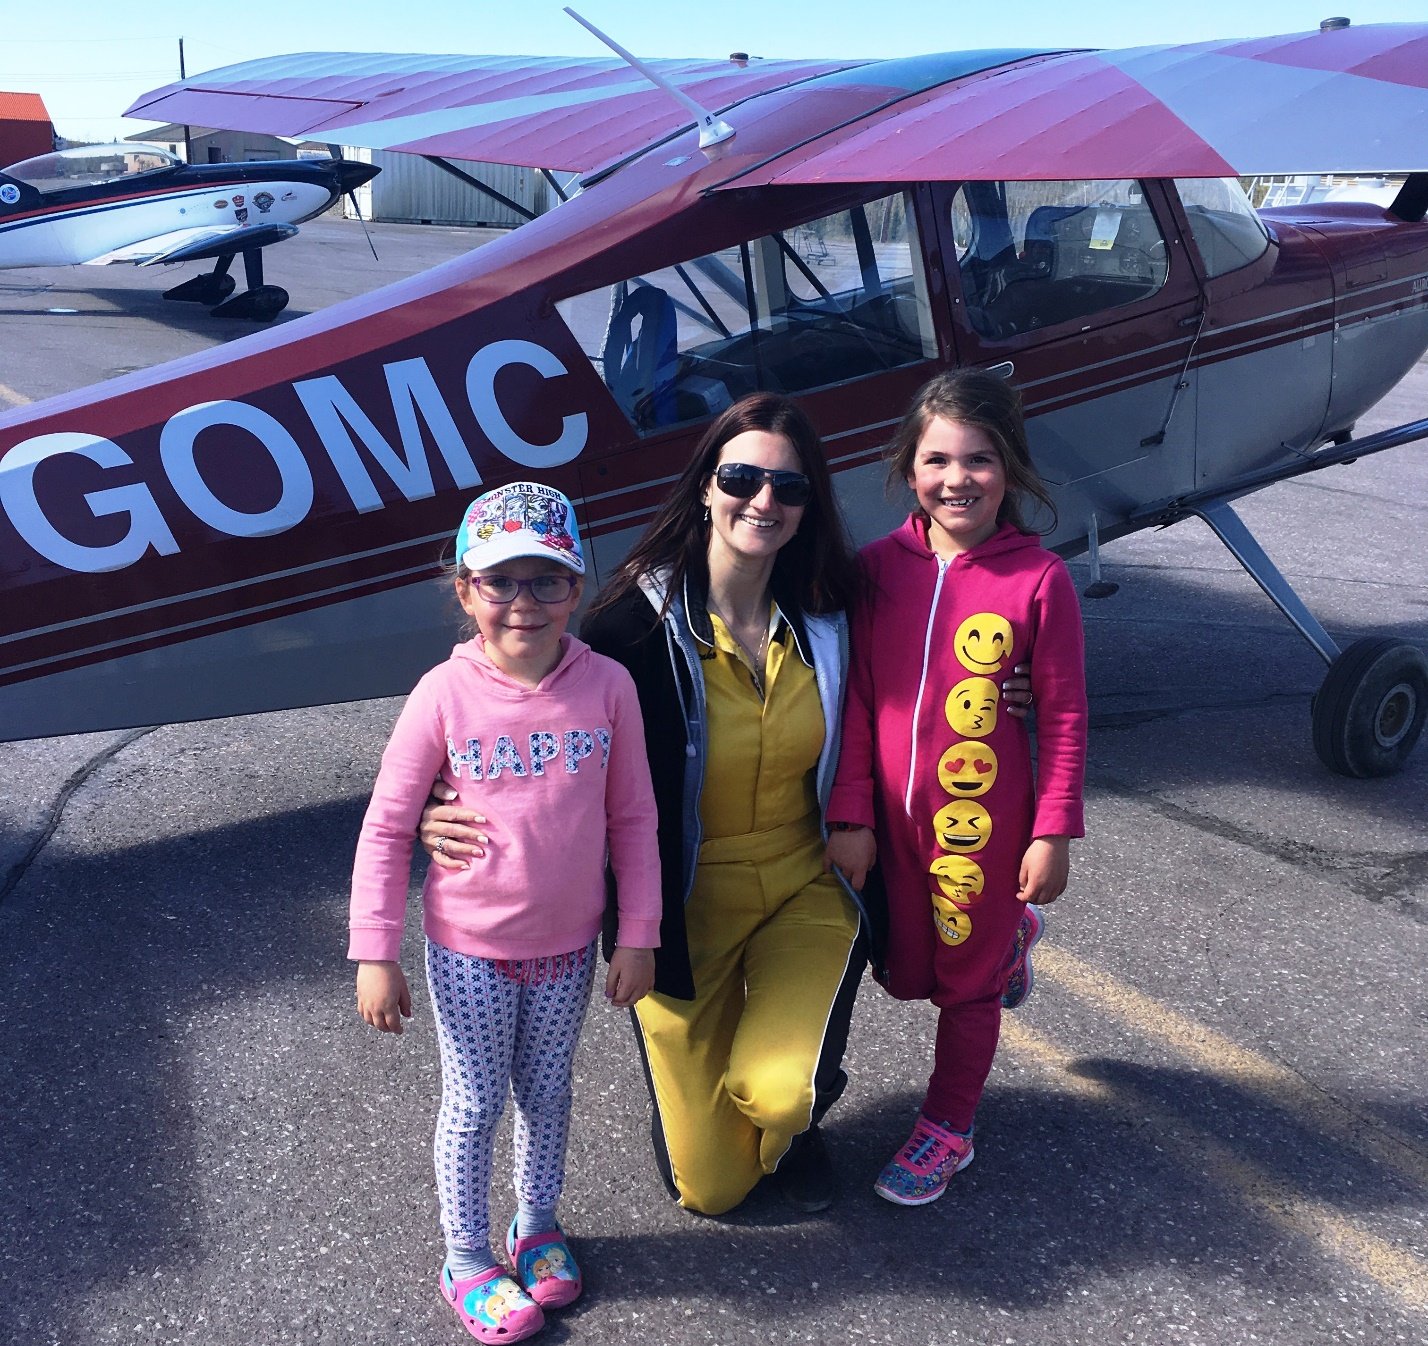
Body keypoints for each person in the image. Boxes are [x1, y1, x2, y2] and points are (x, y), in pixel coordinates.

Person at [420, 395, 1035, 1218]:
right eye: (742, 478)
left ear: (809, 504)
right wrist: (435, 799)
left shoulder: (834, 608)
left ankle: (795, 1104)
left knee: (779, 1096)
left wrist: (1011, 680)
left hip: (807, 884)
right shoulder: (628, 628)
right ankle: (730, 1114)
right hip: (682, 906)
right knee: (710, 1189)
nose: (764, 500)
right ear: (706, 486)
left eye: (790, 486)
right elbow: (514, 691)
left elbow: (938, 631)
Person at [348, 481, 661, 1345]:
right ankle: (466, 1258)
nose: (524, 601)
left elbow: (635, 820)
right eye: (500, 581)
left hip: (569, 949)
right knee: (477, 1101)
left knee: (549, 1093)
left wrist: (639, 935)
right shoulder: (440, 695)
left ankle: (537, 1224)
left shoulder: (608, 687)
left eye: (546, 579)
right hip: (469, 951)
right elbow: (387, 824)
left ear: (576, 587)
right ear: (466, 591)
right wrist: (375, 950)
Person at [825, 368, 1087, 1207]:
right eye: (937, 459)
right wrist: (851, 812)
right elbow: (858, 698)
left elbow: (1066, 715)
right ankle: (1011, 939)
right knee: (907, 973)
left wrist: (1053, 831)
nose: (957, 478)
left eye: (979, 459)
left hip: (985, 831)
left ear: (1009, 468)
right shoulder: (875, 570)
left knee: (965, 989)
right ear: (910, 469)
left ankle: (949, 1126)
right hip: (889, 828)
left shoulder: (1039, 580)